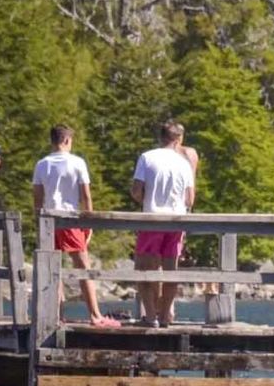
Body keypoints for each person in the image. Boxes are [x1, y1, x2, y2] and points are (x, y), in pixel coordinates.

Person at [32, 125, 119, 328]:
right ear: (66, 140)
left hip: (49, 219)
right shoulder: (77, 162)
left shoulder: (42, 164)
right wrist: (89, 223)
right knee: (83, 267)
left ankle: (57, 315)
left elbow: (37, 198)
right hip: (71, 219)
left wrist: (38, 221)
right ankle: (95, 315)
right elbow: (86, 196)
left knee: (53, 268)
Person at [130, 121, 195, 328]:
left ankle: (150, 317)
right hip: (176, 222)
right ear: (178, 139)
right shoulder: (184, 163)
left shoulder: (147, 157)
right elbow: (190, 199)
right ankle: (166, 315)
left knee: (143, 269)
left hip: (152, 219)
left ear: (161, 137)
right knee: (170, 270)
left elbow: (136, 191)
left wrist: (147, 200)